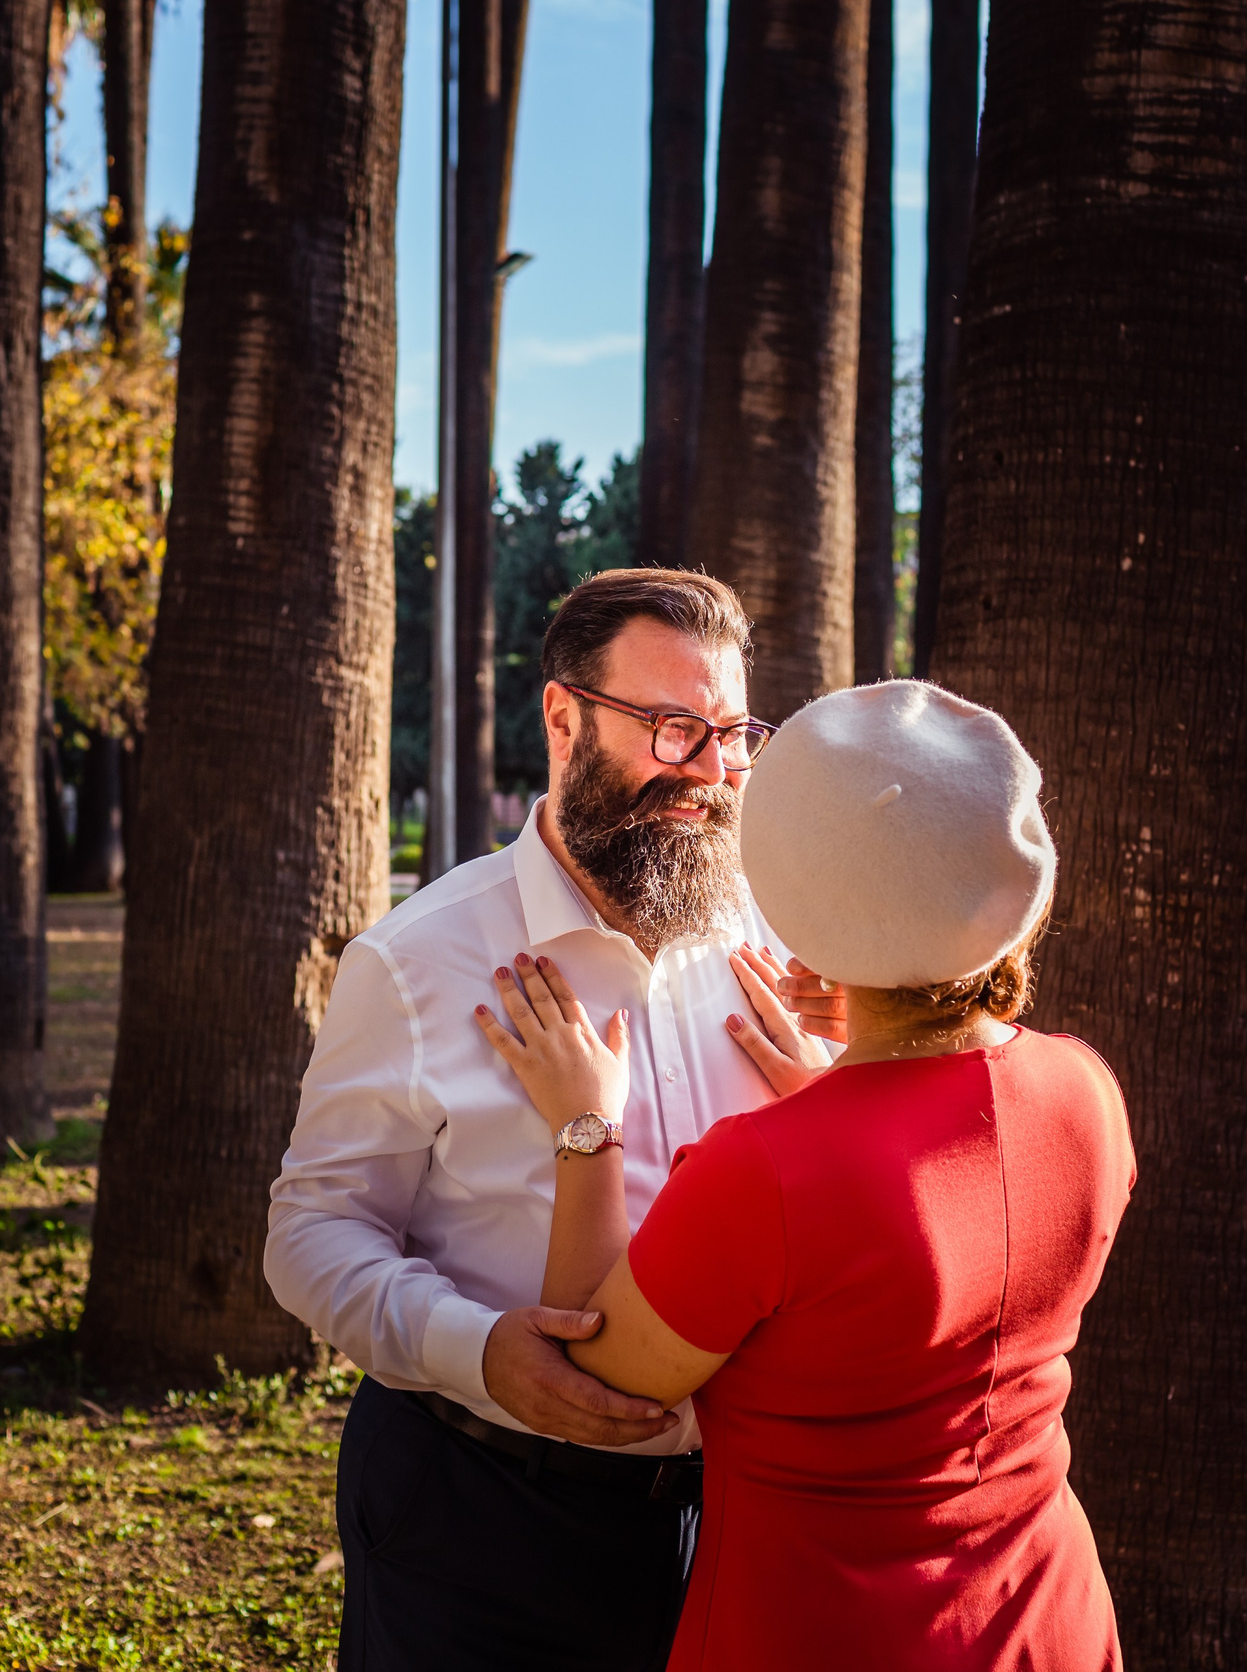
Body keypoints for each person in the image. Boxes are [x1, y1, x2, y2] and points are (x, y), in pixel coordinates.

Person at [478, 680, 1136, 1670]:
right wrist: (837, 1106)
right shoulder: (1082, 1089)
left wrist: (586, 1125)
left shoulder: (764, 1171)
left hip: (825, 1629)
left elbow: (596, 1376)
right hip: (1043, 1613)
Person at [264, 569, 845, 1671]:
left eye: (733, 734)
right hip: (479, 1516)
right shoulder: (416, 959)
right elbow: (311, 1238)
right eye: (674, 730)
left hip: (734, 1520)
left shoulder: (777, 937)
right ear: (564, 716)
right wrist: (480, 1351)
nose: (712, 773)